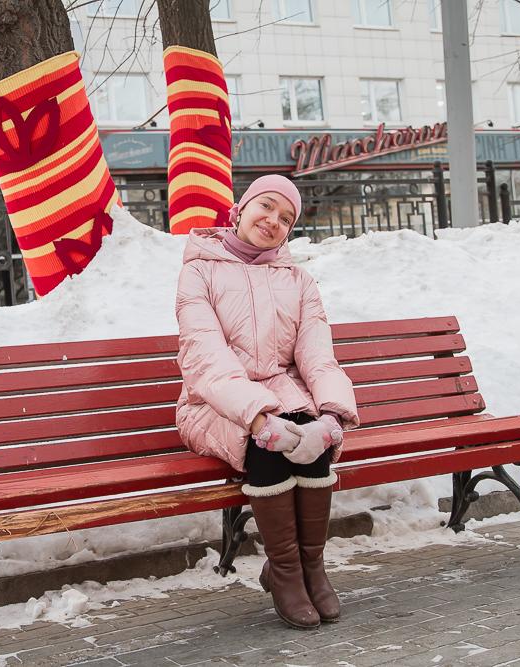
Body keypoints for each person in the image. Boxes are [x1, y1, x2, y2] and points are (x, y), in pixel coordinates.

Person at [175, 174, 360, 630]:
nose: (273, 221)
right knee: (269, 444)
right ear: (242, 208)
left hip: (279, 397)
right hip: (211, 404)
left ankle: (308, 568)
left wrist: (332, 415)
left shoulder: (297, 279)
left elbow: (317, 354)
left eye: (286, 218)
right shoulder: (200, 269)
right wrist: (257, 416)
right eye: (267, 207)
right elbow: (205, 354)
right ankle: (287, 573)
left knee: (309, 437)